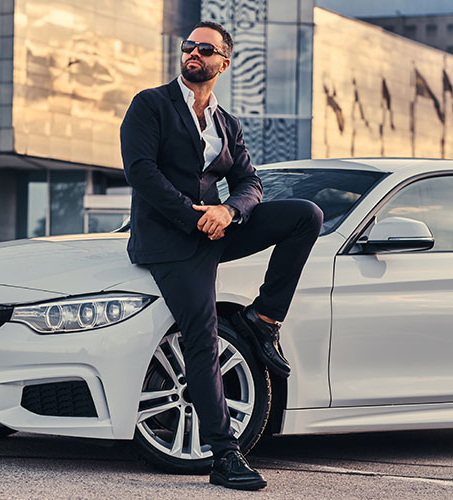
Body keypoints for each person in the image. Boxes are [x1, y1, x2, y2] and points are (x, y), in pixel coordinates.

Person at [120, 21, 323, 491]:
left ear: (224, 62)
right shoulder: (150, 104)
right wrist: (196, 217)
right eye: (188, 46)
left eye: (204, 48)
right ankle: (225, 455)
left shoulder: (227, 123)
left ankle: (264, 321)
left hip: (215, 228)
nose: (193, 52)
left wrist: (229, 212)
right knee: (203, 333)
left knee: (304, 216)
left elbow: (251, 183)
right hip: (171, 240)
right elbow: (142, 173)